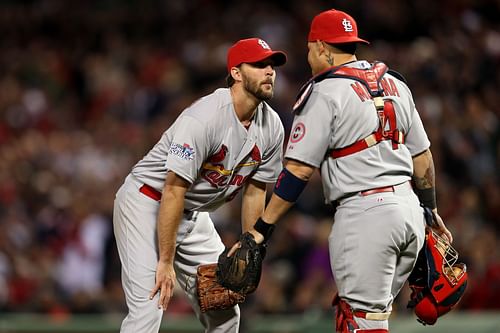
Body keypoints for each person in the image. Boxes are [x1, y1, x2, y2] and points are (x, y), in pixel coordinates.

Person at [244, 9, 453, 333]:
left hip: (366, 214)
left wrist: (261, 230)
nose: (309, 55)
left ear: (324, 48)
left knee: (360, 324)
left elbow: (298, 171)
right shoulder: (394, 82)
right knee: (364, 318)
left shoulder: (324, 91)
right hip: (410, 213)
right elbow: (422, 156)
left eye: (311, 48)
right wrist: (431, 210)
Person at [113, 37, 287, 333]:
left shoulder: (272, 126)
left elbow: (256, 189)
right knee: (149, 306)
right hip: (147, 202)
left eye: (272, 65)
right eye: (259, 65)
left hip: (190, 212)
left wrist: (248, 243)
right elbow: (173, 189)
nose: (269, 71)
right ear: (236, 73)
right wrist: (165, 262)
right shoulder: (204, 118)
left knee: (224, 309)